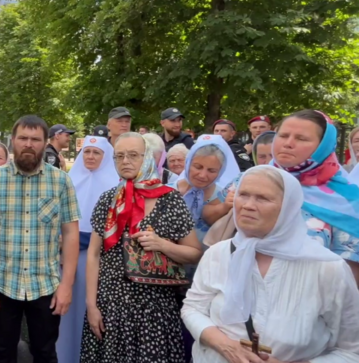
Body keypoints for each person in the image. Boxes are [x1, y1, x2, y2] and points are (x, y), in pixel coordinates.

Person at [182, 166, 359, 363]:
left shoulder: (326, 267)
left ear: (288, 208)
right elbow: (193, 308)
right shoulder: (218, 253)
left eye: (262, 198)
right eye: (243, 195)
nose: (248, 205)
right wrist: (224, 345)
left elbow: (351, 350)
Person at [81, 132, 202, 363]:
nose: (125, 161)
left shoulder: (170, 200)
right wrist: (91, 306)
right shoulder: (108, 200)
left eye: (133, 155)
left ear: (147, 158)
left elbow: (194, 253)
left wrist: (162, 244)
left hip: (154, 310)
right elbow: (94, 255)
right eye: (119, 156)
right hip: (110, 306)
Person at [0, 115, 81, 363]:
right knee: (2, 352)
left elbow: (70, 233)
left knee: (45, 352)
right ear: (13, 141)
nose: (28, 144)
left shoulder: (61, 181)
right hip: (2, 283)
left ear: (45, 143)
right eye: (23, 138)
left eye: (35, 139)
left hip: (46, 285)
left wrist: (66, 285)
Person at [211, 110, 359, 284]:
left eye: (301, 138)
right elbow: (209, 217)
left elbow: (349, 278)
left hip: (311, 301)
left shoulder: (348, 199)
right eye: (283, 135)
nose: (288, 144)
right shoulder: (248, 179)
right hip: (237, 293)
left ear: (323, 145)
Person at [57, 135, 118, 363]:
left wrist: (79, 240)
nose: (91, 157)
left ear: (106, 157)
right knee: (68, 312)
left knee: (93, 311)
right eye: (87, 152)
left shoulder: (115, 185)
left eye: (97, 153)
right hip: (68, 258)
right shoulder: (70, 181)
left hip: (100, 261)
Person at [171, 135, 241, 251]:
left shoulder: (225, 198)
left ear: (220, 171)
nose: (203, 175)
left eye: (211, 170)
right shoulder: (165, 192)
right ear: (188, 164)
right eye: (198, 167)